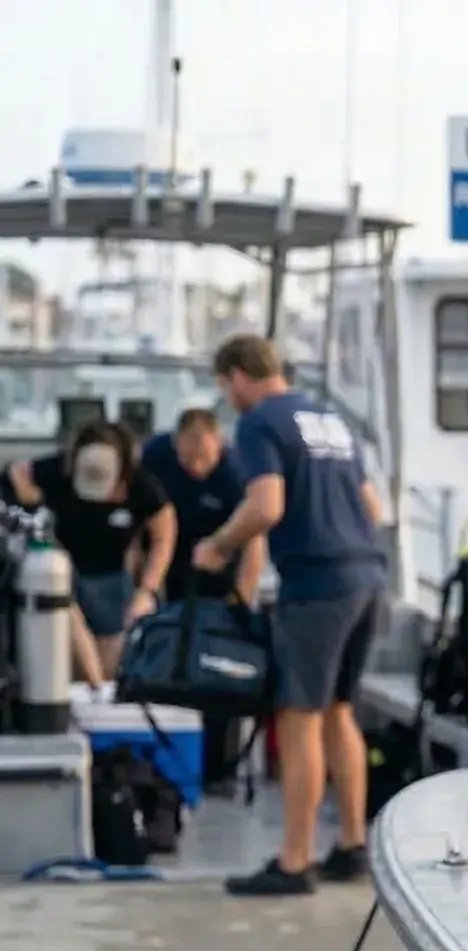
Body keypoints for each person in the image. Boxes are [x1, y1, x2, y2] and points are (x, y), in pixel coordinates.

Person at [195, 334, 388, 896]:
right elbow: (372, 506)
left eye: (224, 387)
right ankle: (352, 845)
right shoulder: (329, 418)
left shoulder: (259, 423)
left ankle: (294, 861)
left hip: (318, 583)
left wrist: (218, 547)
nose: (228, 398)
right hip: (367, 575)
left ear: (237, 376)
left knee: (297, 716)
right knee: (339, 711)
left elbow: (266, 506)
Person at [139, 407, 267, 792]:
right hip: (169, 574)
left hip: (220, 582)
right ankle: (165, 763)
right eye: (188, 458)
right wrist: (144, 586)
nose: (196, 466)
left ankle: (219, 769)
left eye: (204, 458)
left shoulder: (235, 472)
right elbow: (140, 520)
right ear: (175, 445)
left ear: (218, 446)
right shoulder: (157, 457)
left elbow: (254, 542)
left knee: (219, 675)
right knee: (166, 670)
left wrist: (240, 603)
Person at [7, 420, 175, 679]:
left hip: (110, 578)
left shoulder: (140, 485)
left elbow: (164, 532)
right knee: (65, 652)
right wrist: (28, 497)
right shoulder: (54, 470)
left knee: (111, 661)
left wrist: (147, 590)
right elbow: (16, 474)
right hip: (60, 572)